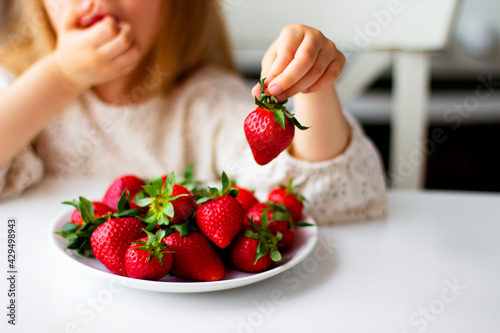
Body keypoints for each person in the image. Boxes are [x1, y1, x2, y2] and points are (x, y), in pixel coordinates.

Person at [0, 0, 386, 224]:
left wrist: (311, 85)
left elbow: (331, 200)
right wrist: (61, 76)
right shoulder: (20, 90)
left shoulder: (205, 104)